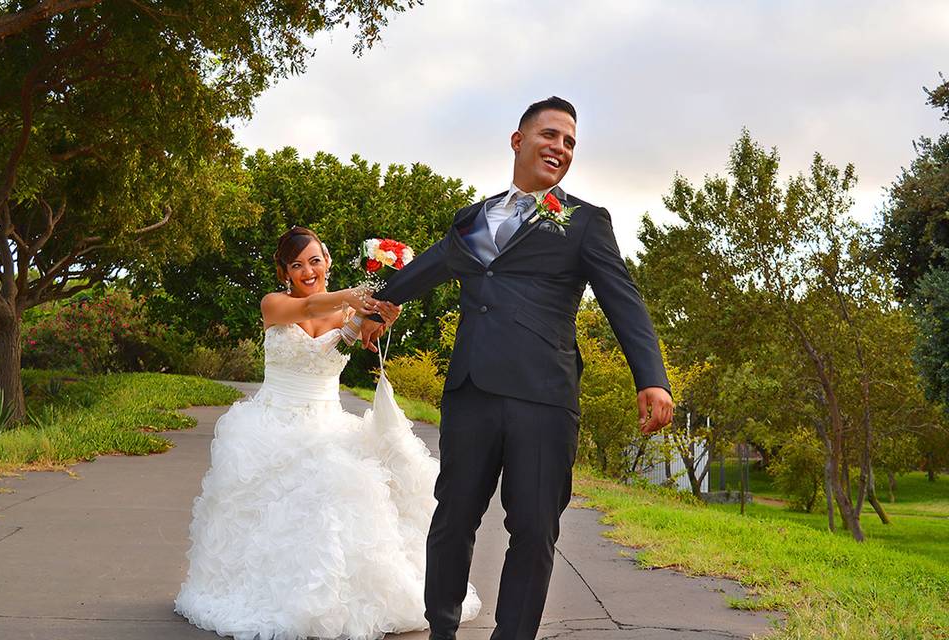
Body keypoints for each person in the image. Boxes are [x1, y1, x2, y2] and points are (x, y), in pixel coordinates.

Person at [360, 97, 675, 640]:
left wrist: (651, 377)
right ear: (518, 140)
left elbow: (623, 300)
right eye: (550, 135)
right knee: (453, 519)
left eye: (570, 142)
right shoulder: (473, 218)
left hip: (543, 397)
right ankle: (441, 630)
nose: (560, 147)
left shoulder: (583, 222)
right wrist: (377, 307)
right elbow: (430, 267)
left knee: (532, 529)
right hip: (471, 389)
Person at [175, 227, 481, 640]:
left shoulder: (346, 314)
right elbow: (313, 306)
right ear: (284, 271)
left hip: (328, 422)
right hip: (272, 425)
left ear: (327, 262)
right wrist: (353, 297)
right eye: (297, 264)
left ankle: (335, 601)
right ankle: (277, 599)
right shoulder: (275, 305)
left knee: (348, 491)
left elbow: (356, 335)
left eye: (315, 260)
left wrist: (379, 317)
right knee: (282, 509)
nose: (307, 270)